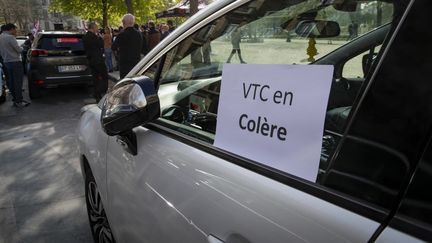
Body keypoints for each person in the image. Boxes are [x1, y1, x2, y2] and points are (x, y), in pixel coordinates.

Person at [0, 23, 30, 107]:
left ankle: (15, 99)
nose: (15, 31)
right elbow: (18, 50)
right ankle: (19, 101)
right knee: (18, 82)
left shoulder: (1, 36)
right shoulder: (10, 37)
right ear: (11, 29)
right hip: (15, 61)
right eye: (15, 29)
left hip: (6, 61)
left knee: (11, 82)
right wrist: (22, 47)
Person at [82, 22, 108, 102]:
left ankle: (97, 95)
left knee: (95, 78)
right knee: (104, 76)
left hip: (91, 60)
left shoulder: (85, 37)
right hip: (98, 60)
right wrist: (101, 37)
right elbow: (100, 44)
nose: (97, 29)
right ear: (93, 28)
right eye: (96, 27)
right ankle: (99, 91)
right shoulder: (94, 37)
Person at [112, 14, 143, 79]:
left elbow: (113, 47)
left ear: (123, 22)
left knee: (125, 83)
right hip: (136, 63)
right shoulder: (139, 34)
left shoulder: (122, 34)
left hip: (125, 64)